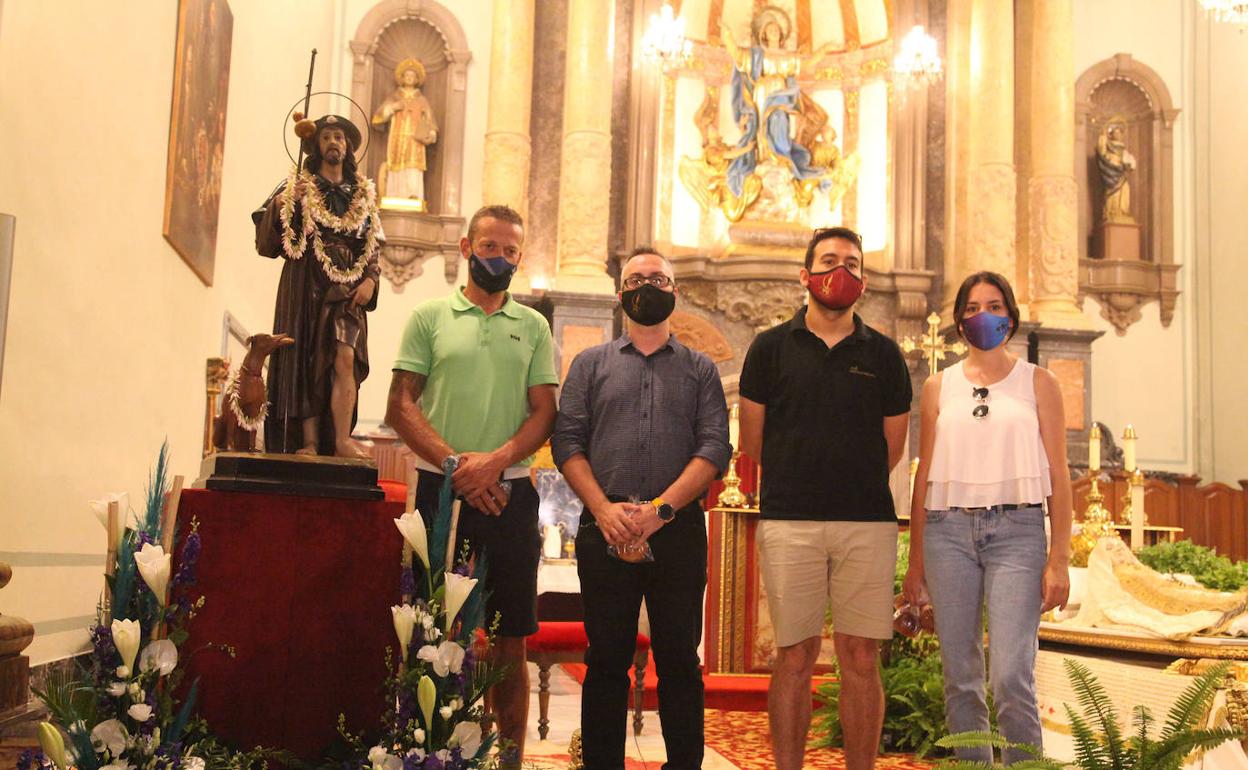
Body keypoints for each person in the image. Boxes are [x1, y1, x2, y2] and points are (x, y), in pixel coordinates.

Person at [385, 204, 558, 767]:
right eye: (489, 247)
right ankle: (423, 754)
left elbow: (544, 412)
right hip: (439, 489)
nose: (499, 259)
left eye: (510, 251)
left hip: (511, 494)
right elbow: (400, 404)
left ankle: (509, 760)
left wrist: (497, 460)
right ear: (466, 248)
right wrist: (459, 466)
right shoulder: (429, 316)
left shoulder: (533, 326)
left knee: (510, 637)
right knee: (429, 627)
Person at [738, 227, 911, 770]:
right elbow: (753, 441)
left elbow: (892, 445)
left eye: (852, 263)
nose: (841, 271)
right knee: (794, 655)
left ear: (864, 279)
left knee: (861, 656)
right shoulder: (769, 348)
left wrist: (849, 479)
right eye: (830, 260)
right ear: (805, 275)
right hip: (791, 519)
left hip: (867, 522)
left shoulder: (884, 354)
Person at [552, 247, 731, 770]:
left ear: (674, 292)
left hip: (677, 531)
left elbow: (714, 448)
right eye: (636, 279)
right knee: (606, 660)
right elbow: (567, 442)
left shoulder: (701, 370)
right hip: (603, 527)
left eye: (658, 279)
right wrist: (603, 509)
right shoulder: (590, 365)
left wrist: (660, 511)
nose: (646, 287)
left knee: (679, 662)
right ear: (620, 294)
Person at [902, 271, 1072, 766]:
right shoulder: (938, 387)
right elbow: (924, 475)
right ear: (959, 322)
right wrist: (915, 564)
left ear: (1011, 317)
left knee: (1010, 675)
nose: (984, 315)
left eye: (995, 306)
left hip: (1017, 534)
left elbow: (1059, 473)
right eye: (973, 307)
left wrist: (1059, 558)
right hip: (947, 533)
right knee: (961, 677)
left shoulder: (1039, 382)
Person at [254, 114, 382, 458]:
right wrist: (283, 205)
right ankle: (309, 441)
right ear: (316, 145)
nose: (333, 142)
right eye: (326, 137)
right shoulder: (298, 186)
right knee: (307, 358)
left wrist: (371, 279)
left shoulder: (362, 195)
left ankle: (341, 439)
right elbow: (269, 242)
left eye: (339, 136)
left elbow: (373, 243)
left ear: (348, 146)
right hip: (305, 280)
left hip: (348, 284)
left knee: (345, 356)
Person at [371, 57, 437, 202]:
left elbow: (430, 120)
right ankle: (394, 195)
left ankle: (413, 195)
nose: (409, 78)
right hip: (398, 138)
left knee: (413, 168)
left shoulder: (421, 100)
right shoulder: (395, 97)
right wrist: (393, 108)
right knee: (397, 167)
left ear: (417, 79)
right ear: (402, 77)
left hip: (415, 141)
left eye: (412, 75)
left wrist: (431, 133)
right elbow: (378, 116)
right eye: (407, 75)